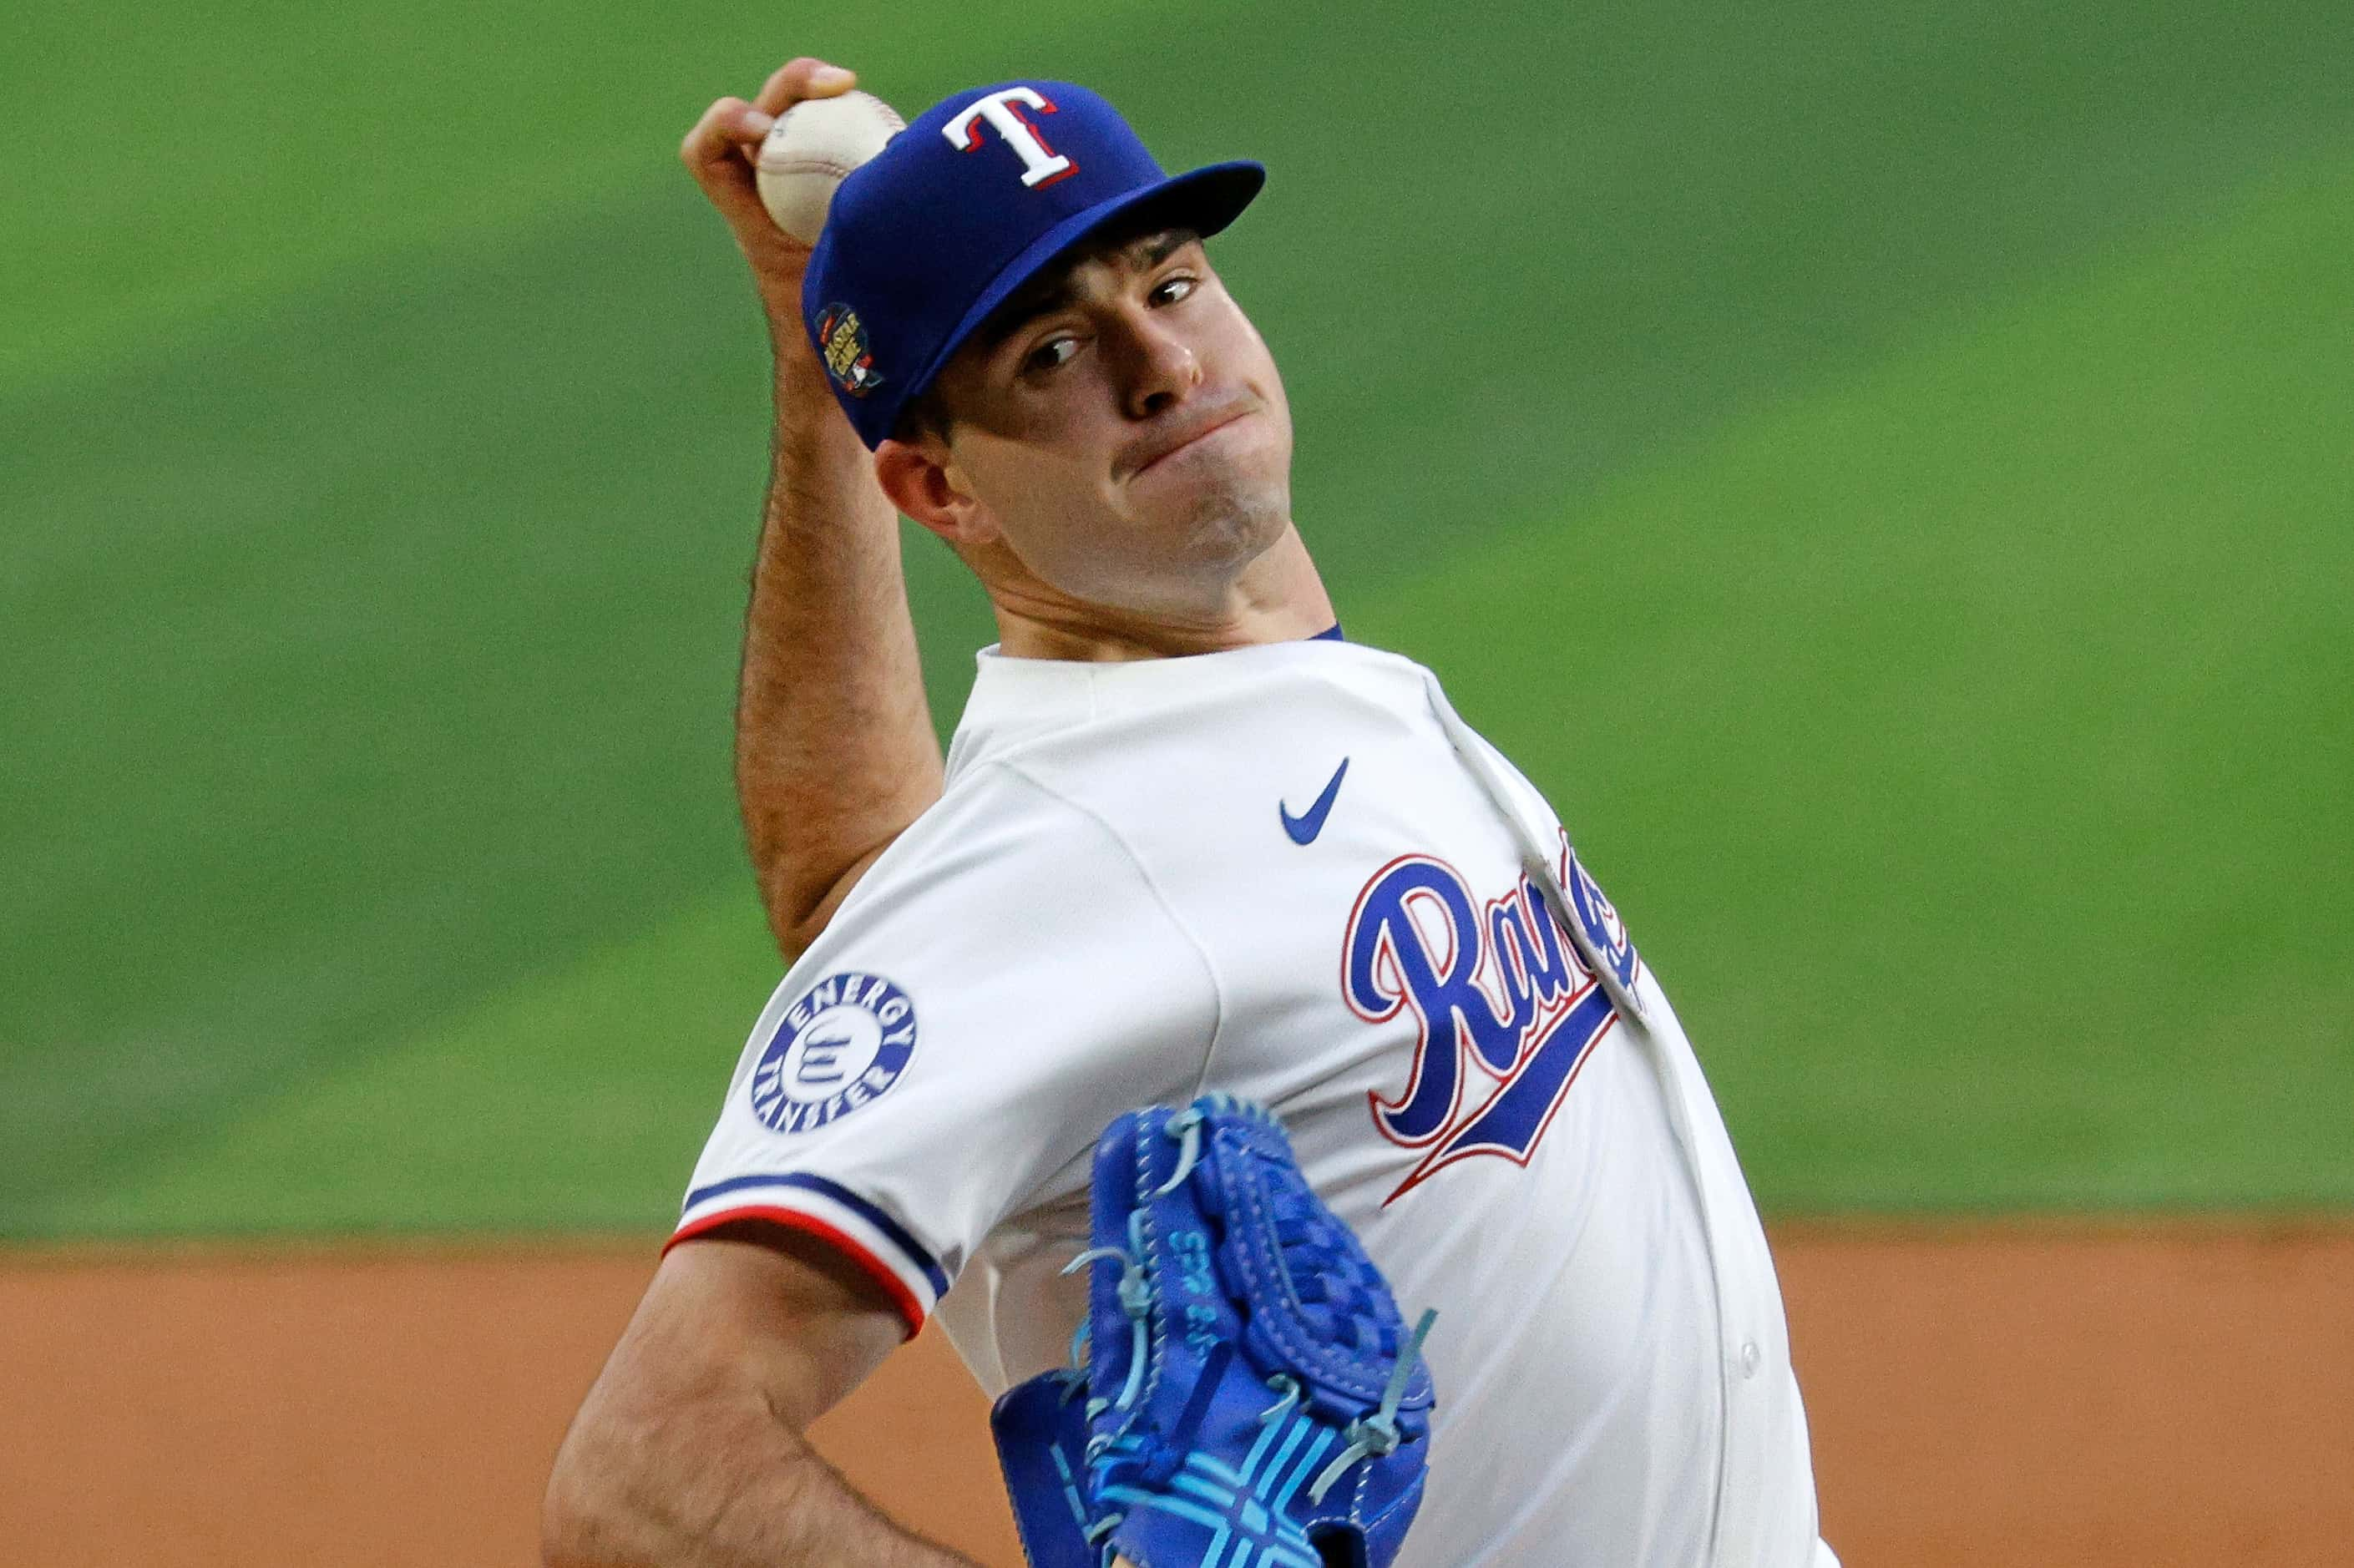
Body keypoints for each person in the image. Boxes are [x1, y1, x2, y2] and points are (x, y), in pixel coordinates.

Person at [541, 57, 1837, 1568]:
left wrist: (820, 352)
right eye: (1049, 354)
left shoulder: (1234, 674)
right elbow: (636, 1475)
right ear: (943, 495)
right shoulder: (1072, 852)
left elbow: (854, 893)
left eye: (1170, 280)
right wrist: (846, 370)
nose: (1158, 363)